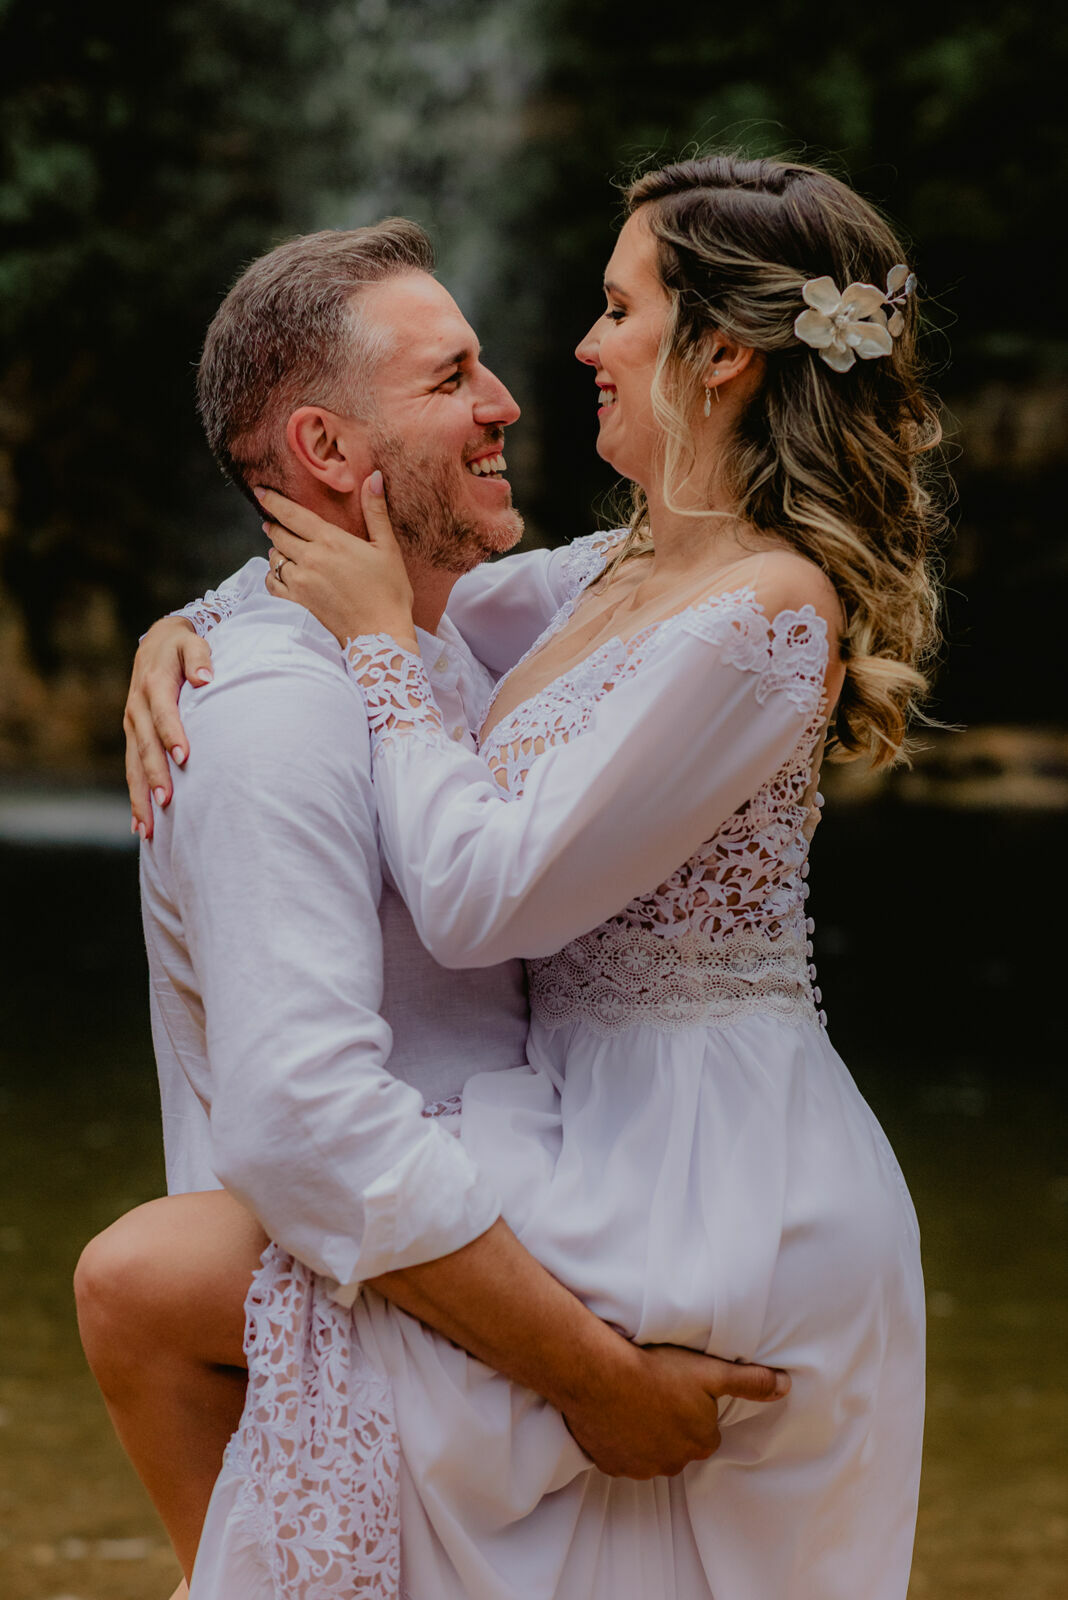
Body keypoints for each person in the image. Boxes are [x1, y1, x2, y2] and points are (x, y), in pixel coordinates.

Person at [104, 152, 941, 1598]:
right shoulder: (606, 576)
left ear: (723, 353)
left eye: (617, 308)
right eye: (462, 374)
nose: (571, 355)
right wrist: (190, 628)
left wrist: (369, 649)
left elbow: (485, 897)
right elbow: (359, 585)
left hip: (711, 1155)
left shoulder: (766, 608)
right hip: (584, 1131)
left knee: (146, 1286)